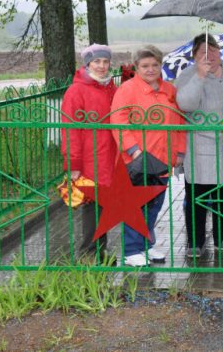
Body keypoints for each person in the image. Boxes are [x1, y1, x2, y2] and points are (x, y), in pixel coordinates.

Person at [110, 45, 186, 267]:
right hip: (139, 159)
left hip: (163, 158)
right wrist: (133, 150)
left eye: (155, 65)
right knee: (136, 204)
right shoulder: (127, 90)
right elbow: (118, 121)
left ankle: (146, 244)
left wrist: (180, 150)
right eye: (145, 66)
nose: (151, 69)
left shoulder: (169, 90)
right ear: (136, 67)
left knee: (155, 203)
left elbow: (180, 122)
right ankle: (132, 249)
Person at [175, 33, 223, 259]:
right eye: (202, 52)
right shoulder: (187, 75)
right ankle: (196, 240)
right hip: (198, 144)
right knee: (197, 195)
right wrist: (200, 77)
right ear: (194, 56)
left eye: (212, 50)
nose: (209, 55)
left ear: (219, 51)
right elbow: (185, 104)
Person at [60, 44, 117, 261]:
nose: (102, 66)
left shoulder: (111, 88)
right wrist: (73, 164)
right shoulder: (76, 91)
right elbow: (70, 129)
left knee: (104, 207)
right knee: (91, 207)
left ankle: (100, 251)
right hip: (89, 159)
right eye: (97, 62)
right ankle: (89, 255)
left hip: (109, 157)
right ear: (87, 64)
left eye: (105, 61)